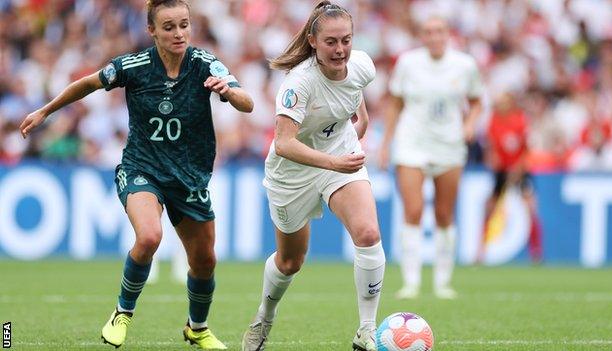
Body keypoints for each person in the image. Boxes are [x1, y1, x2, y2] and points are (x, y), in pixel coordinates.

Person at [19, 0, 253, 349]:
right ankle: (121, 313)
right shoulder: (135, 66)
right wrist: (46, 111)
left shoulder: (205, 63)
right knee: (149, 237)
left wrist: (229, 91)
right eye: (169, 26)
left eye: (184, 25)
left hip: (189, 176)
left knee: (204, 261)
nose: (179, 33)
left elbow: (247, 102)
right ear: (152, 30)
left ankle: (197, 328)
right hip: (142, 168)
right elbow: (88, 83)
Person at [241, 2, 384, 351]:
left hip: (340, 154)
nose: (340, 50)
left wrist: (359, 116)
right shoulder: (298, 84)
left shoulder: (363, 64)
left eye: (346, 41)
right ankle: (264, 316)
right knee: (291, 261)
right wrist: (331, 164)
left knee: (367, 233)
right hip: (293, 172)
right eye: (331, 42)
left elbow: (353, 87)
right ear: (313, 41)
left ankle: (367, 331)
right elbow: (284, 143)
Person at [379, 16, 483, 300]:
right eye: (428, 32)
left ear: (447, 34)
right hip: (412, 143)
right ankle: (410, 282)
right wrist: (385, 144)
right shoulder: (408, 63)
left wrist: (470, 124)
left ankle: (442, 281)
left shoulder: (464, 65)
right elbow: (395, 105)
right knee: (412, 210)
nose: (434, 37)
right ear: (422, 36)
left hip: (449, 145)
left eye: (438, 31)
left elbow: (476, 102)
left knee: (444, 214)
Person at [482, 92, 543, 263]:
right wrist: (498, 165)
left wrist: (517, 169)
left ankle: (536, 252)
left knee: (530, 208)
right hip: (502, 171)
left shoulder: (520, 120)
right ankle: (480, 251)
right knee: (490, 208)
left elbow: (526, 150)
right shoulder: (493, 121)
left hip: (520, 171)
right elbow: (492, 149)